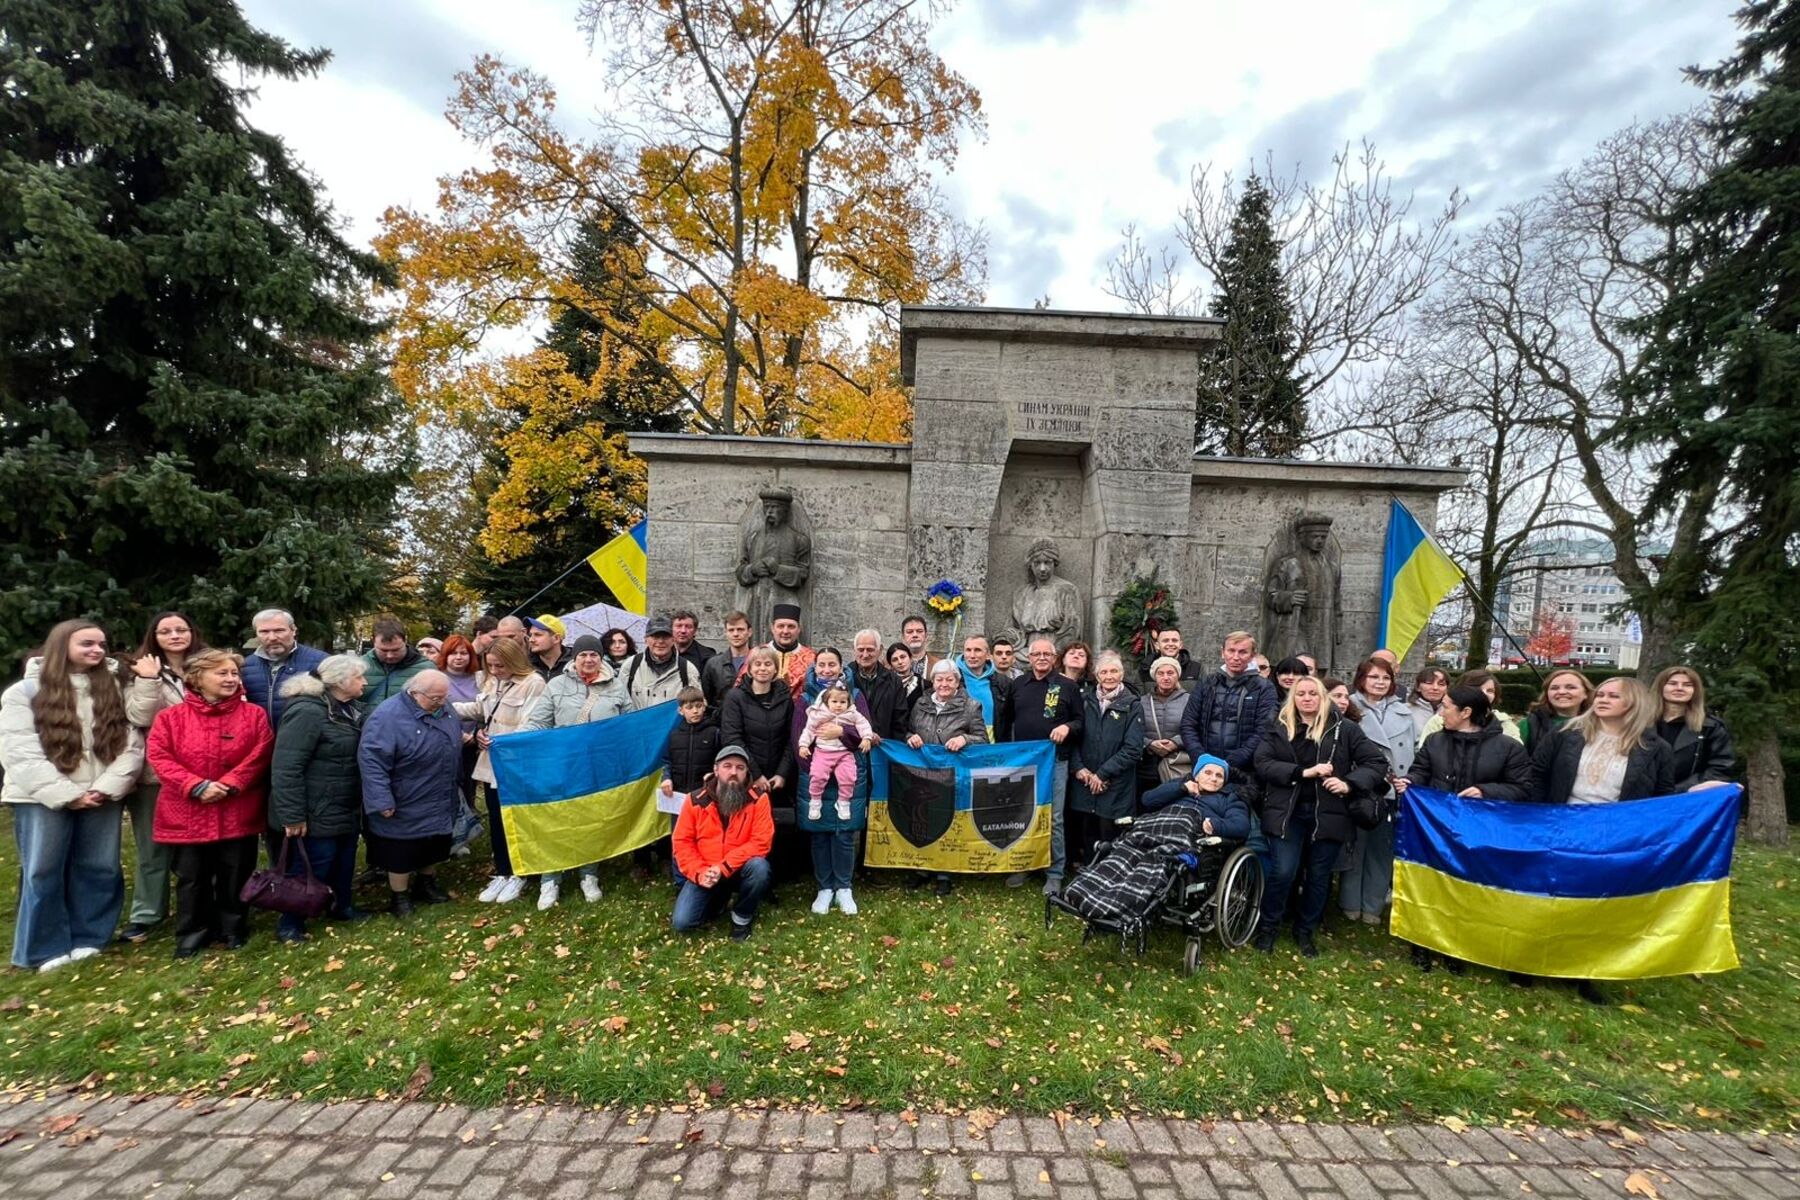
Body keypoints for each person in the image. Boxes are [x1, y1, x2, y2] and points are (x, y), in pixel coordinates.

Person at [3, 620, 143, 972]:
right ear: (62, 644)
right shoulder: (25, 692)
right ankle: (44, 947)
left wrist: (105, 788)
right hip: (40, 797)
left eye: (101, 644)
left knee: (99, 866)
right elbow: (20, 752)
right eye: (87, 644)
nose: (97, 650)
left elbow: (132, 743)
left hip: (101, 793)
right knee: (44, 869)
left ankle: (90, 936)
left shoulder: (112, 687)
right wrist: (66, 794)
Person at [1529, 676, 1676, 1004]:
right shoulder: (1566, 734)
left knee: (1597, 905)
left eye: (1613, 696)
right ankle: (1534, 961)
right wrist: (1539, 818)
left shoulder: (1655, 749)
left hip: (1614, 836)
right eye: (1601, 693)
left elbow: (1663, 796)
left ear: (1633, 704)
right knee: (1551, 895)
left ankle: (1584, 971)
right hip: (1562, 825)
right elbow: (1538, 774)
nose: (1603, 699)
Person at [1395, 683, 1534, 973]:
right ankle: (1422, 943)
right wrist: (1410, 782)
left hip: (1480, 833)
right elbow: (1421, 770)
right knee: (1431, 885)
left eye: (1446, 706)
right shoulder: (1435, 741)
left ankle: (1457, 948)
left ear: (1466, 712)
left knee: (1466, 890)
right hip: (1436, 829)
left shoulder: (1508, 747)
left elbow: (1523, 788)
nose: (1441, 711)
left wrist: (1486, 790)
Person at [146, 649, 274, 958]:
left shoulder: (254, 715)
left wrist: (230, 784)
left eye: (234, 674)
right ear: (197, 678)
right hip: (187, 809)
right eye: (222, 673)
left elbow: (261, 752)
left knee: (235, 872)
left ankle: (232, 927)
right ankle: (192, 932)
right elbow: (160, 756)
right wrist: (196, 785)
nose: (231, 679)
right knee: (192, 877)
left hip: (236, 807)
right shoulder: (171, 718)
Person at [1251, 676, 1388, 957]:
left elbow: (1375, 763)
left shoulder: (1344, 729)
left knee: (1318, 876)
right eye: (1300, 693)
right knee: (1283, 871)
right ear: (1293, 698)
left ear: (1322, 696)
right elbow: (1263, 763)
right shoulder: (1278, 726)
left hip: (1329, 813)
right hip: (1286, 813)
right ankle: (1268, 928)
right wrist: (1303, 772)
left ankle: (1305, 932)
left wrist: (1349, 783)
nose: (1307, 698)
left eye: (1313, 693)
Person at [525, 634, 635, 904]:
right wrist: (515, 742)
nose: (588, 660)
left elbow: (628, 725)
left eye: (594, 655)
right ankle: (551, 878)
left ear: (601, 658)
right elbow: (538, 722)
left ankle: (589, 873)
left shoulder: (616, 686)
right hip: (563, 763)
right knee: (556, 818)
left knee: (591, 818)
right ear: (575, 658)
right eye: (583, 655)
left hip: (599, 765)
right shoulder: (557, 685)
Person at [269, 654, 370, 942]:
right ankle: (291, 921)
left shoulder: (345, 709)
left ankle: (341, 905)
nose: (364, 682)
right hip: (315, 807)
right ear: (340, 682)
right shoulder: (307, 711)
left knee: (343, 859)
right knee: (312, 863)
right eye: (359, 677)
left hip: (344, 803)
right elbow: (287, 765)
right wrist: (292, 815)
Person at [118, 610, 206, 943]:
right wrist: (149, 679)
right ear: (154, 636)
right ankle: (147, 913)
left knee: (201, 846)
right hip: (157, 773)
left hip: (204, 770)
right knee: (152, 848)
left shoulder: (208, 664)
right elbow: (139, 716)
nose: (174, 636)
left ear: (191, 632)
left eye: (180, 629)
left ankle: (200, 906)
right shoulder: (139, 669)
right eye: (165, 631)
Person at [453, 638, 548, 906]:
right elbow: (482, 709)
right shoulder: (492, 681)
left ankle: (522, 871)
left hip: (518, 764)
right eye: (491, 665)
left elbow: (533, 723)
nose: (495, 671)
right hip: (492, 763)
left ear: (514, 662)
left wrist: (496, 740)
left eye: (500, 666)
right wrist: (445, 705)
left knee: (517, 819)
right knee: (496, 818)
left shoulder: (534, 683)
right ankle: (503, 870)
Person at [360, 671, 462, 917]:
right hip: (405, 795)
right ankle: (399, 895)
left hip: (439, 790)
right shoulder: (387, 716)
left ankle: (426, 884)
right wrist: (381, 799)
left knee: (435, 841)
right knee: (401, 850)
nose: (441, 702)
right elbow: (372, 761)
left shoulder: (443, 706)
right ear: (414, 693)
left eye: (443, 697)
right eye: (435, 698)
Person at [1179, 632, 1278, 866]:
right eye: (1231, 651)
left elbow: (1264, 731)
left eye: (1243, 652)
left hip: (1242, 773)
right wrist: (1201, 758)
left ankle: (1253, 892)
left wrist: (1231, 763)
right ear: (1222, 652)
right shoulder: (1208, 683)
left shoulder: (1264, 688)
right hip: (1205, 769)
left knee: (1250, 835)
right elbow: (1188, 723)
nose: (1236, 657)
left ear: (1252, 655)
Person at [789, 646, 875, 912]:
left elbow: (864, 733)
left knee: (845, 833)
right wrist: (812, 766)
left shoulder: (854, 695)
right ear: (814, 668)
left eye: (832, 665)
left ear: (841, 667)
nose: (827, 670)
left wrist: (841, 732)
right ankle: (824, 887)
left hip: (849, 771)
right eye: (821, 665)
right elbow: (798, 736)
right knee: (820, 833)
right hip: (817, 773)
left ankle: (844, 887)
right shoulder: (806, 699)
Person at [672, 744, 775, 940]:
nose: (733, 772)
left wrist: (724, 867)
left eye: (740, 767)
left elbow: (761, 842)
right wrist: (700, 872)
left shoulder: (758, 799)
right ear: (716, 770)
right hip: (706, 870)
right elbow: (682, 842)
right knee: (682, 923)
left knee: (760, 868)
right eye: (727, 766)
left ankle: (742, 917)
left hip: (740, 869)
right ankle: (718, 899)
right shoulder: (694, 800)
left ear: (746, 772)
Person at [905, 659, 990, 896]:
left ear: (957, 681)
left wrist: (965, 739)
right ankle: (922, 868)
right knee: (923, 820)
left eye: (949, 679)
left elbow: (983, 739)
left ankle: (945, 872)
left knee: (947, 822)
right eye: (939, 679)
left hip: (954, 776)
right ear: (933, 681)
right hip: (923, 773)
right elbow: (909, 729)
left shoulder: (971, 706)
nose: (944, 684)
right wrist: (910, 736)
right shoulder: (921, 703)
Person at [1342, 656, 1416, 928]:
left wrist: (1405, 778)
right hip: (1360, 788)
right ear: (1361, 679)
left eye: (1385, 678)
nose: (1380, 683)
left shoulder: (1403, 712)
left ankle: (1372, 905)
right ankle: (1350, 902)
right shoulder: (1347, 706)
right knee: (1355, 847)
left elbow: (1411, 749)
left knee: (1381, 849)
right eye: (1374, 677)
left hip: (1392, 790)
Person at [1011, 636, 1082, 896]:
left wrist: (1067, 727)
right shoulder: (1018, 685)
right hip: (1022, 764)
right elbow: (1005, 720)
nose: (1041, 658)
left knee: (1054, 818)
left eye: (1047, 654)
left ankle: (1054, 872)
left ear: (1055, 659)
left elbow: (1080, 722)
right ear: (1028, 659)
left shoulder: (1067, 687)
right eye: (1036, 654)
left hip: (1055, 762)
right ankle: (1026, 863)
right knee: (1023, 814)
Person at [1070, 650, 1145, 871]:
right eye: (1104, 671)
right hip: (1084, 780)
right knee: (1087, 830)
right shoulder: (1084, 701)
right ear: (1096, 675)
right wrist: (1078, 768)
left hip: (1115, 783)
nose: (1109, 676)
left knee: (1109, 831)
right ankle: (1087, 871)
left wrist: (1103, 774)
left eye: (1114, 671)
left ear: (1121, 674)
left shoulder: (1132, 704)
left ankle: (1109, 873)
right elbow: (1074, 738)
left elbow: (1133, 748)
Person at [720, 646, 796, 813]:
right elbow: (732, 738)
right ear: (749, 669)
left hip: (778, 780)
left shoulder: (785, 698)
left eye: (768, 664)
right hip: (745, 778)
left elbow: (792, 738)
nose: (762, 668)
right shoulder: (735, 697)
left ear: (776, 668)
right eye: (757, 664)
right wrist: (755, 774)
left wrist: (782, 773)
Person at [798, 680, 874, 825]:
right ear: (827, 702)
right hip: (823, 752)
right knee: (817, 775)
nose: (839, 705)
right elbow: (808, 730)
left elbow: (864, 724)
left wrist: (866, 738)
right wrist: (803, 745)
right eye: (834, 701)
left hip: (845, 754)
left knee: (849, 777)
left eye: (842, 702)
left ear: (848, 702)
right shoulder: (819, 714)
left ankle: (843, 802)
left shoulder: (852, 713)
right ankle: (815, 801)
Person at [1651, 666, 1736, 791]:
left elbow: (1720, 767)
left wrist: (1683, 790)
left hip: (1686, 799)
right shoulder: (1639, 724)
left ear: (1695, 691)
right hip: (1638, 800)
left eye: (1687, 685)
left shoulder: (1710, 727)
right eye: (1672, 683)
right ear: (1660, 687)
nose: (1679, 688)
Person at [240, 608, 327, 730]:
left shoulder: (321, 662)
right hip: (261, 743)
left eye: (279, 630)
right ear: (256, 634)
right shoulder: (245, 666)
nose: (272, 637)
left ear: (293, 630)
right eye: (264, 632)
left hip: (304, 741)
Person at [1137, 754, 1251, 839]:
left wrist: (1215, 825)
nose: (1214, 778)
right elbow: (1147, 800)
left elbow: (1241, 826)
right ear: (1196, 776)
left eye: (1219, 776)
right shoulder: (1178, 785)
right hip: (1157, 827)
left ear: (1223, 782)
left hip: (1187, 836)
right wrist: (1182, 788)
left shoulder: (1229, 798)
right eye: (1208, 773)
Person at [1138, 655, 1192, 804]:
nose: (1166, 677)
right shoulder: (1142, 702)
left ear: (1178, 675)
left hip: (1177, 765)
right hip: (1147, 768)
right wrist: (1149, 744)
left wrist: (1175, 742)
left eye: (1170, 673)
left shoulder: (1190, 700)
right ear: (1154, 676)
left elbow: (1196, 729)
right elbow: (1133, 731)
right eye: (1161, 673)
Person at [662, 687, 720, 822]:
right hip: (678, 796)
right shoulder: (674, 735)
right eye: (689, 707)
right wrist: (666, 778)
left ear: (704, 707)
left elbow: (721, 762)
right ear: (680, 710)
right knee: (680, 835)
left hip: (706, 795)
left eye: (699, 706)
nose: (695, 711)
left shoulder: (714, 732)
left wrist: (713, 776)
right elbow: (667, 761)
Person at [1419, 670, 1523, 743]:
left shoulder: (1504, 723)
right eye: (1477, 688)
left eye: (1490, 691)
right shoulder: (1439, 720)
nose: (1484, 694)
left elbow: (1516, 759)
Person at [359, 616, 432, 712]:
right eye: (383, 650)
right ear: (373, 642)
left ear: (405, 640)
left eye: (396, 650)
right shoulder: (359, 667)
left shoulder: (426, 669)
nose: (390, 655)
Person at [624, 617, 697, 709]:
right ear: (645, 639)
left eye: (665, 637)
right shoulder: (630, 666)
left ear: (673, 639)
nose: (660, 641)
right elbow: (621, 704)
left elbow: (697, 706)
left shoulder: (687, 669)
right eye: (655, 636)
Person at [954, 633, 1014, 742]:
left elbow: (1009, 720)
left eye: (977, 650)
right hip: (959, 745)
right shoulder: (952, 678)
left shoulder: (1004, 683)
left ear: (988, 655)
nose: (972, 655)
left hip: (992, 747)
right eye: (968, 650)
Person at [850, 629, 907, 740]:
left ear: (880, 650)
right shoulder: (845, 678)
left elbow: (900, 721)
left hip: (883, 746)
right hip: (851, 748)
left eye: (870, 649)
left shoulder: (894, 681)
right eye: (861, 650)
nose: (865, 655)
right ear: (854, 650)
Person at [1520, 668, 1594, 751]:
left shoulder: (1598, 724)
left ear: (1586, 694)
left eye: (1570, 687)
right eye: (1554, 688)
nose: (1561, 692)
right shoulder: (1528, 725)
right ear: (1547, 694)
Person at [700, 612, 753, 709]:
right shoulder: (713, 664)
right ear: (726, 633)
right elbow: (708, 699)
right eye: (731, 630)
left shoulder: (759, 663)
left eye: (740, 629)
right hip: (721, 721)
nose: (735, 634)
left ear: (749, 632)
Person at [763, 603, 817, 694]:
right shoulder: (757, 654)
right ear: (772, 628)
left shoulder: (812, 657)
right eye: (781, 626)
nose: (785, 631)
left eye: (791, 626)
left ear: (799, 629)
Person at [1137, 628, 1205, 689]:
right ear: (1157, 645)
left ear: (1180, 645)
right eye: (1165, 641)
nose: (1170, 644)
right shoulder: (1145, 669)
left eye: (1174, 640)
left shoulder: (1196, 669)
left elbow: (1206, 696)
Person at [1407, 667, 1451, 744]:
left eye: (1441, 684)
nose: (1435, 688)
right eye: (1429, 683)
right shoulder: (1405, 711)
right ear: (1418, 687)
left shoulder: (1454, 711)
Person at [526, 614, 573, 680]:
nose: (531, 640)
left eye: (537, 635)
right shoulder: (526, 666)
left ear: (556, 638)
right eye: (530, 635)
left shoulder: (575, 664)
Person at [899, 615, 936, 679]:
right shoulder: (888, 665)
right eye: (909, 632)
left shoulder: (937, 664)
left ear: (926, 636)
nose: (915, 635)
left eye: (919, 631)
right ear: (903, 637)